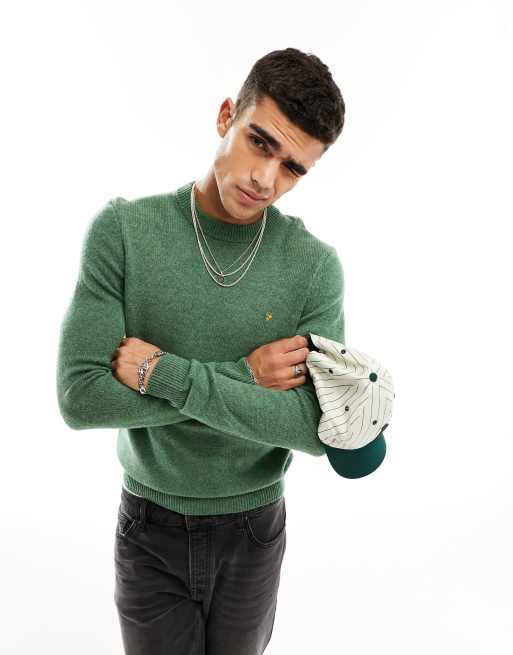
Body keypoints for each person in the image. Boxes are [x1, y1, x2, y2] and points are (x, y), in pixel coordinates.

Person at [56, 46, 345, 655]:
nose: (266, 179)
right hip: (149, 523)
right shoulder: (126, 233)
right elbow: (81, 396)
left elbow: (314, 429)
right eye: (260, 142)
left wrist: (161, 373)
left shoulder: (314, 267)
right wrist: (246, 376)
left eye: (293, 168)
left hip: (254, 530)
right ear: (225, 117)